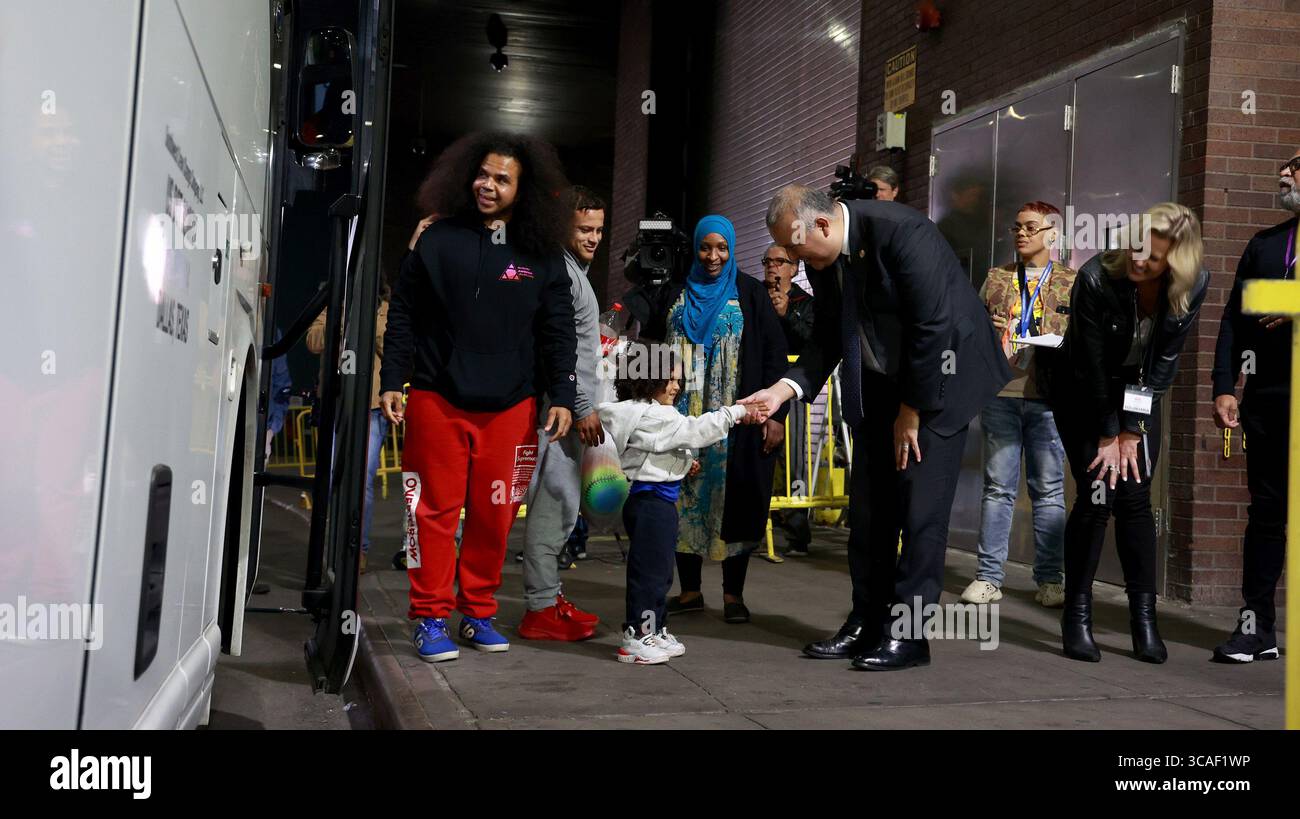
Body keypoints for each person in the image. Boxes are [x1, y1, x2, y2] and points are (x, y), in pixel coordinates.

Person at [742, 184, 1012, 670]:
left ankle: (908, 637)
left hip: (941, 381)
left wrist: (912, 411)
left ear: (822, 225)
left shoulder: (902, 232)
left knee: (920, 510)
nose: (795, 261)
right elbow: (827, 337)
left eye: (796, 248)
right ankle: (866, 622)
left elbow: (934, 327)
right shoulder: (824, 260)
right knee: (869, 513)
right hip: (880, 384)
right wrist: (781, 391)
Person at [380, 132, 577, 663]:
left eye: (502, 179)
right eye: (483, 174)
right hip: (436, 399)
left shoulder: (542, 254)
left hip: (512, 409)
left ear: (523, 189)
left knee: (495, 515)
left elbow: (558, 329)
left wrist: (561, 394)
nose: (488, 185)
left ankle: (478, 614)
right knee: (431, 514)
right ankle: (429, 618)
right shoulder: (435, 238)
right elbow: (403, 316)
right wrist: (391, 381)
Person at [1048, 202, 1208, 664]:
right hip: (1084, 390)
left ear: (1176, 262)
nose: (1140, 260)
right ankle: (1076, 617)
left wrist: (1132, 432)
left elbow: (1163, 362)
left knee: (1136, 497)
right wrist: (1106, 433)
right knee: (1097, 493)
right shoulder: (1098, 276)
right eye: (1137, 248)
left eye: (1154, 259)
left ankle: (1144, 619)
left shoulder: (1193, 282)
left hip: (1139, 390)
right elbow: (1089, 364)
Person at [650, 215, 788, 624]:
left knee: (735, 497)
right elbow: (654, 351)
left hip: (736, 418)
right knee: (682, 498)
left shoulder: (749, 293)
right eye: (706, 248)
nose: (713, 256)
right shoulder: (675, 293)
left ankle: (733, 595)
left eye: (721, 248)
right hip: (680, 416)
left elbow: (774, 356)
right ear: (695, 249)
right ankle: (690, 591)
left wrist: (774, 415)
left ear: (731, 249)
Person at [598, 345, 760, 663]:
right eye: (669, 380)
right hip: (651, 504)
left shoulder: (641, 412)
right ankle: (638, 636)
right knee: (650, 574)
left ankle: (653, 629)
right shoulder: (652, 414)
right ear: (646, 379)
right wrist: (737, 412)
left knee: (659, 573)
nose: (675, 387)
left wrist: (684, 464)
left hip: (656, 502)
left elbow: (662, 447)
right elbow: (692, 431)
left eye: (677, 380)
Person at [961, 202, 1076, 608]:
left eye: (1030, 227)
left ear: (1052, 233)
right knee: (997, 488)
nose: (1021, 234)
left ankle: (1050, 580)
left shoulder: (1071, 281)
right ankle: (989, 577)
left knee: (1048, 490)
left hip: (1047, 397)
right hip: (1002, 394)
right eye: (1016, 227)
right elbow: (968, 331)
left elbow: (1083, 341)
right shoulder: (997, 278)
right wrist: (986, 330)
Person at [1209, 148, 1299, 664]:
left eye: (1296, 164)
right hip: (1268, 403)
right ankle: (1256, 629)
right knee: (1266, 517)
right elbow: (1235, 321)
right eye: (1283, 165)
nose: (1284, 172)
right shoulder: (1266, 245)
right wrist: (1225, 386)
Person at [518, 186, 606, 641]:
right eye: (584, 229)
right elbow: (561, 348)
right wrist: (582, 405)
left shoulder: (573, 272)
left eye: (598, 230)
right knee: (553, 508)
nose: (593, 238)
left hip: (560, 410)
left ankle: (546, 599)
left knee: (556, 508)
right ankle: (539, 608)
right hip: (561, 415)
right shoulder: (564, 275)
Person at [306, 283, 390, 574]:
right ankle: (331, 546)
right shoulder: (331, 302)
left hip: (371, 405)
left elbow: (391, 346)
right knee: (329, 476)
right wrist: (343, 320)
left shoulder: (385, 308)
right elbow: (312, 341)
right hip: (335, 400)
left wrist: (368, 322)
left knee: (362, 479)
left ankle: (359, 550)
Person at [763, 242, 815, 555]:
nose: (772, 267)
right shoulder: (754, 295)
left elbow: (812, 341)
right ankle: (755, 527)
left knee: (793, 459)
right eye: (767, 261)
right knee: (759, 452)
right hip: (761, 387)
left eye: (780, 261)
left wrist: (785, 314)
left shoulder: (805, 302)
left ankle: (798, 534)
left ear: (794, 268)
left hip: (792, 390)